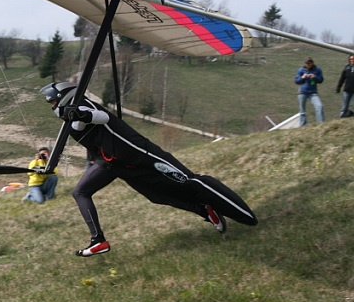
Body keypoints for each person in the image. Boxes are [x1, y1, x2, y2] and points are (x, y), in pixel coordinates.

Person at [40, 82, 258, 257]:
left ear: (65, 97)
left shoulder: (84, 106)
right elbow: (81, 126)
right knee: (90, 192)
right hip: (114, 163)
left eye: (53, 101)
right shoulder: (71, 121)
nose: (52, 106)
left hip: (140, 154)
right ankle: (99, 240)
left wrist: (80, 114)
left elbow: (100, 117)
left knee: (187, 181)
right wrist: (75, 119)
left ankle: (242, 214)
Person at [295, 57, 325, 126]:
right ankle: (302, 125)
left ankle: (320, 124)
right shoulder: (301, 70)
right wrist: (302, 77)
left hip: (313, 92)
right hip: (302, 92)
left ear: (312, 63)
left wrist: (314, 77)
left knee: (319, 106)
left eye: (309, 63)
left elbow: (321, 80)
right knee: (302, 110)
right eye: (306, 63)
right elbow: (296, 81)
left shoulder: (317, 70)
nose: (307, 65)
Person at [336, 54, 354, 119]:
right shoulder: (346, 68)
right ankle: (341, 119)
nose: (352, 60)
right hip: (347, 90)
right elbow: (342, 78)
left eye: (353, 59)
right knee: (344, 107)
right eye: (350, 59)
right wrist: (338, 87)